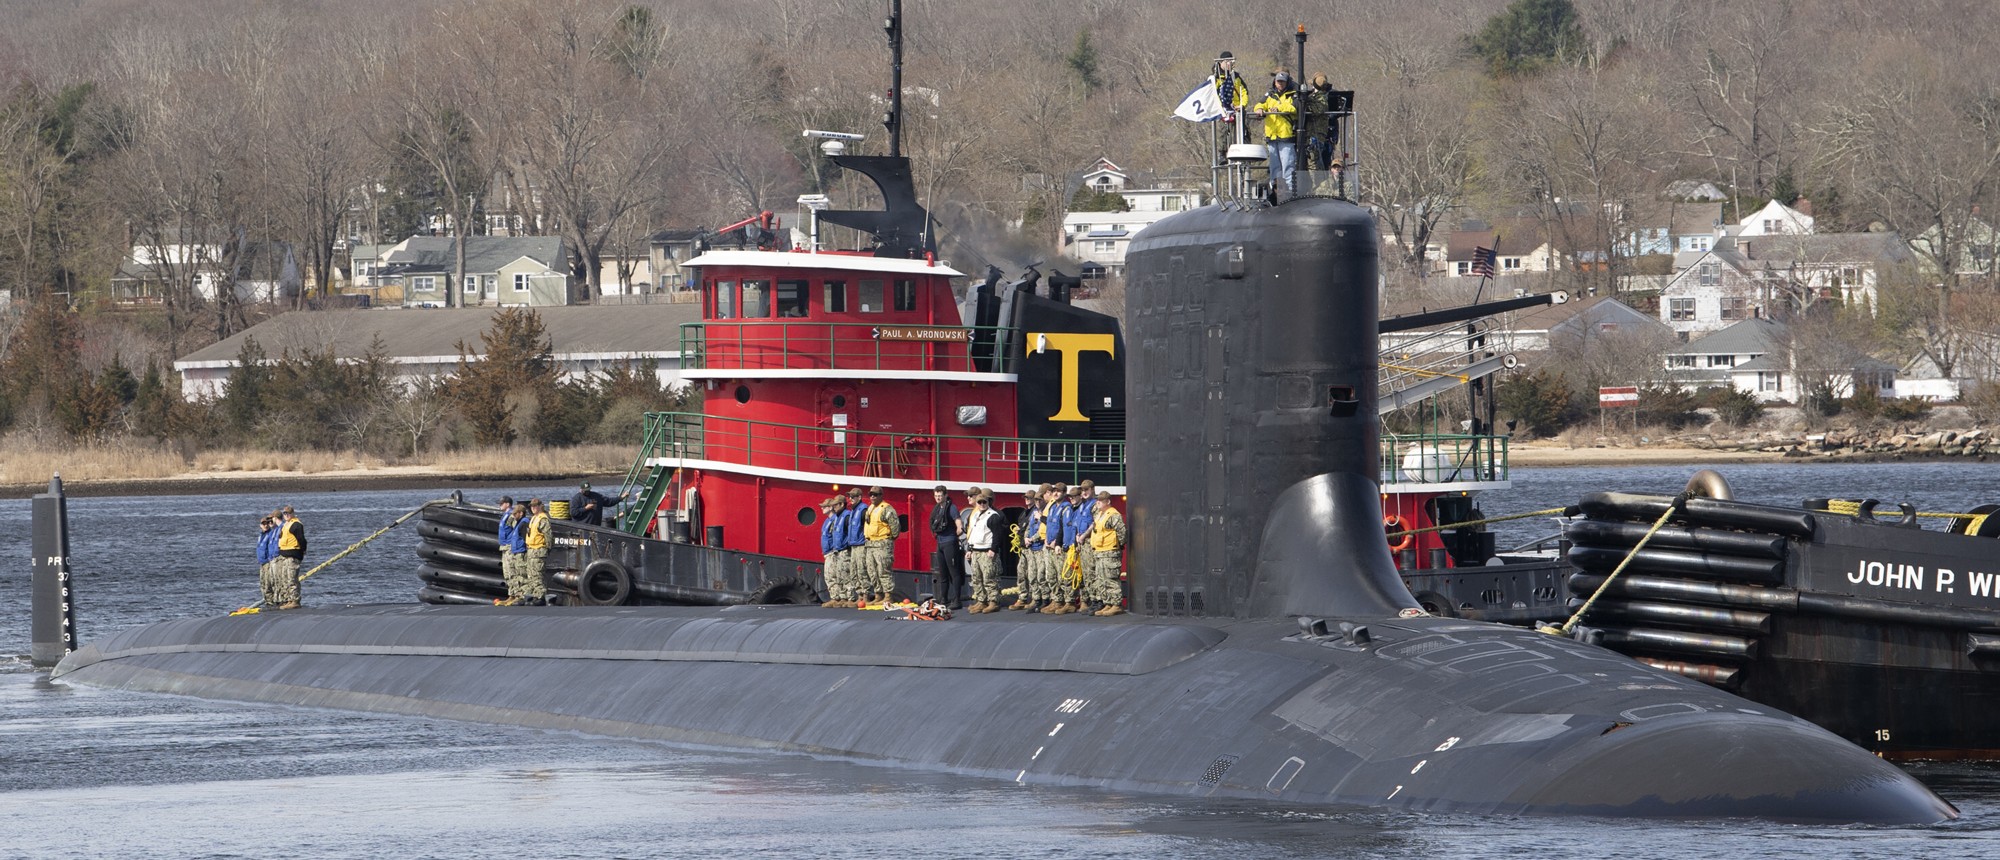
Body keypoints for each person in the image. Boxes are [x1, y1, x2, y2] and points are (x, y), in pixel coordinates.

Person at [1253, 71, 1299, 196]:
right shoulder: (1270, 95)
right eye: (1278, 82)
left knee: (1288, 165)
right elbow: (1259, 104)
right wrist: (1259, 109)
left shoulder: (1292, 95)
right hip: (1272, 135)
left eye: (1283, 82)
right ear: (1275, 82)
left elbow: (1294, 108)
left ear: (1287, 82)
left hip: (1286, 135)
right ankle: (1276, 190)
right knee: (1275, 166)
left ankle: (1289, 190)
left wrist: (1279, 108)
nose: (1280, 84)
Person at [1087, 491, 1129, 616]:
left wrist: (1119, 545)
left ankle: (1116, 604)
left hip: (1110, 551)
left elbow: (1122, 532)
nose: (1098, 502)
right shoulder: (1100, 514)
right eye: (1097, 500)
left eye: (1100, 500)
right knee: (1102, 579)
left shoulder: (1113, 515)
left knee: (1111, 579)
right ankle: (1108, 603)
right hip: (1100, 552)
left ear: (1108, 501)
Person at [962, 493, 1003, 613]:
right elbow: (972, 534)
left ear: (988, 502)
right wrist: (969, 549)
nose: (982, 504)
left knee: (989, 577)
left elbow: (997, 535)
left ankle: (993, 601)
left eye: (984, 502)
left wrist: (993, 549)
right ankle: (981, 600)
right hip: (976, 551)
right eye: (979, 502)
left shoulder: (993, 516)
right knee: (977, 577)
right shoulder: (975, 515)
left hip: (987, 551)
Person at [861, 487, 901, 605]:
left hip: (882, 544)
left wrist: (888, 539)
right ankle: (878, 594)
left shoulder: (887, 509)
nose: (872, 497)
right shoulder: (870, 508)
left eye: (875, 494)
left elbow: (895, 527)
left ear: (881, 496)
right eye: (870, 494)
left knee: (883, 569)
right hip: (870, 544)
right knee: (872, 570)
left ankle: (888, 596)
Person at [929, 485, 966, 609]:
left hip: (950, 543)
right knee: (942, 572)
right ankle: (943, 598)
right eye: (936, 496)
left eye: (940, 496)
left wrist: (957, 532)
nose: (938, 498)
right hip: (940, 544)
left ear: (945, 495)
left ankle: (957, 600)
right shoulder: (937, 508)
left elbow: (958, 523)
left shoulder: (952, 508)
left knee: (954, 572)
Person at [516, 499, 552, 605]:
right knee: (531, 575)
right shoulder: (533, 519)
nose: (533, 508)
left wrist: (547, 549)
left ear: (541, 506)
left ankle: (540, 596)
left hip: (539, 550)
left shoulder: (543, 519)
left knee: (537, 574)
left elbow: (548, 536)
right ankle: (534, 595)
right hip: (531, 550)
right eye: (532, 506)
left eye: (535, 506)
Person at [272, 506, 307, 609]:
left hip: (293, 555)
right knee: (286, 579)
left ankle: (295, 600)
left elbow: (302, 540)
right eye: (285, 513)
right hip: (285, 556)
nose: (286, 515)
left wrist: (302, 551)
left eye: (288, 513)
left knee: (292, 579)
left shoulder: (296, 525)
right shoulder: (286, 525)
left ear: (292, 513)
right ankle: (289, 599)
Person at [819, 497, 850, 608]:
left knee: (837, 575)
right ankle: (835, 597)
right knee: (830, 576)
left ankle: (841, 597)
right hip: (828, 552)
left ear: (831, 507)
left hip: (834, 552)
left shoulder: (835, 519)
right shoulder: (828, 521)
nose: (821, 508)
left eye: (824, 506)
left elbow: (837, 536)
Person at [1301, 73, 1335, 173]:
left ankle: (1316, 186)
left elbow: (1317, 110)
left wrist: (1306, 103)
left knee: (1313, 163)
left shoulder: (1321, 97)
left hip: (1316, 135)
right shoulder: (1315, 96)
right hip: (1311, 134)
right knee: (1311, 161)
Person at [841, 488, 867, 605]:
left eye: (853, 497)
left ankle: (865, 594)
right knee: (854, 571)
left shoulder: (863, 510)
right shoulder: (853, 511)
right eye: (850, 497)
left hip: (861, 544)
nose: (850, 499)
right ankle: (859, 595)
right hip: (854, 545)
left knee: (862, 570)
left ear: (859, 497)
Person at [1213, 50, 1250, 131]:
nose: (1229, 64)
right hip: (1222, 113)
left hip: (1237, 111)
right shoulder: (1215, 79)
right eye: (1226, 62)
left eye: (1230, 61)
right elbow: (1213, 95)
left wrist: (1242, 105)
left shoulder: (1236, 77)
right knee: (1224, 136)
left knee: (1243, 133)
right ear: (1220, 63)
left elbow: (1244, 92)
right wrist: (1221, 108)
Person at [255, 513, 280, 607]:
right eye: (263, 524)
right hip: (262, 563)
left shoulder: (271, 534)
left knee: (270, 583)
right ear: (260, 525)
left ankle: (273, 601)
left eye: (266, 523)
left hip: (268, 562)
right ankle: (268, 601)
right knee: (263, 584)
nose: (265, 525)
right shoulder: (260, 535)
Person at [496, 495, 519, 594]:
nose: (500, 505)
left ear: (508, 504)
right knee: (507, 572)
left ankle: (517, 593)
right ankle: (511, 593)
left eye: (502, 503)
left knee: (512, 571)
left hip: (509, 546)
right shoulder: (505, 515)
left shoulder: (511, 515)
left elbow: (516, 530)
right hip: (504, 546)